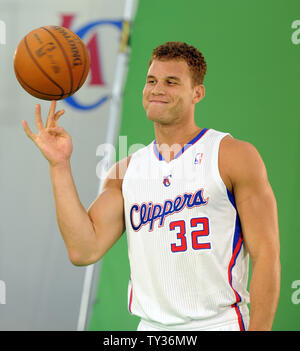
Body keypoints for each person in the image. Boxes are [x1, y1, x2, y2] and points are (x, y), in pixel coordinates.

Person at [22, 41, 280, 331]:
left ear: (198, 93)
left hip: (219, 324)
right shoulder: (125, 172)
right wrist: (59, 165)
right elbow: (84, 250)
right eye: (151, 81)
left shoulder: (232, 156)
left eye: (171, 82)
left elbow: (266, 255)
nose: (157, 89)